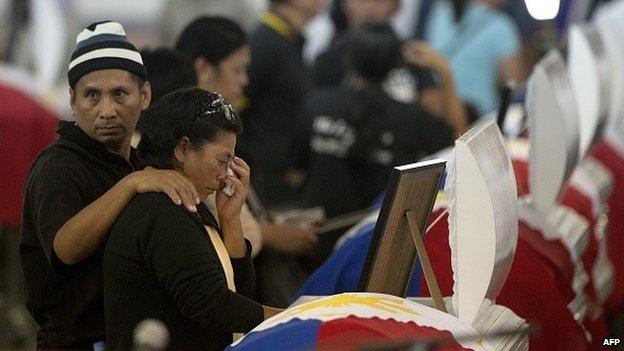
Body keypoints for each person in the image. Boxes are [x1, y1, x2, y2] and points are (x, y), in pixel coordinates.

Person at [19, 21, 198, 349]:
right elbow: (65, 249)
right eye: (92, 96)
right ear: (72, 100)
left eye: (119, 94)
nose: (107, 110)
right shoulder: (58, 166)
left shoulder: (143, 166)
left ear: (144, 96)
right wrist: (131, 185)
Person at [104, 88, 281, 350]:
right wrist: (291, 318)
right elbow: (210, 305)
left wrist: (230, 218)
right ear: (183, 148)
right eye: (223, 160)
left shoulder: (190, 205)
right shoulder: (160, 210)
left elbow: (238, 295)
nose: (226, 175)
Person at [295, 23, 457, 218]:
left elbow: (293, 171)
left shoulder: (317, 104)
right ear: (397, 66)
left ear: (348, 60)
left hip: (317, 231)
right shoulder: (409, 118)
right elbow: (457, 145)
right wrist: (445, 73)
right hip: (375, 233)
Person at [241, 0, 323, 207]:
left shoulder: (288, 42)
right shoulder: (263, 44)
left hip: (279, 180)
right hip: (260, 183)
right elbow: (234, 110)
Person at [424, 0, 523, 114]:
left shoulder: (439, 11)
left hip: (445, 113)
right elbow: (515, 86)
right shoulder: (502, 26)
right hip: (482, 117)